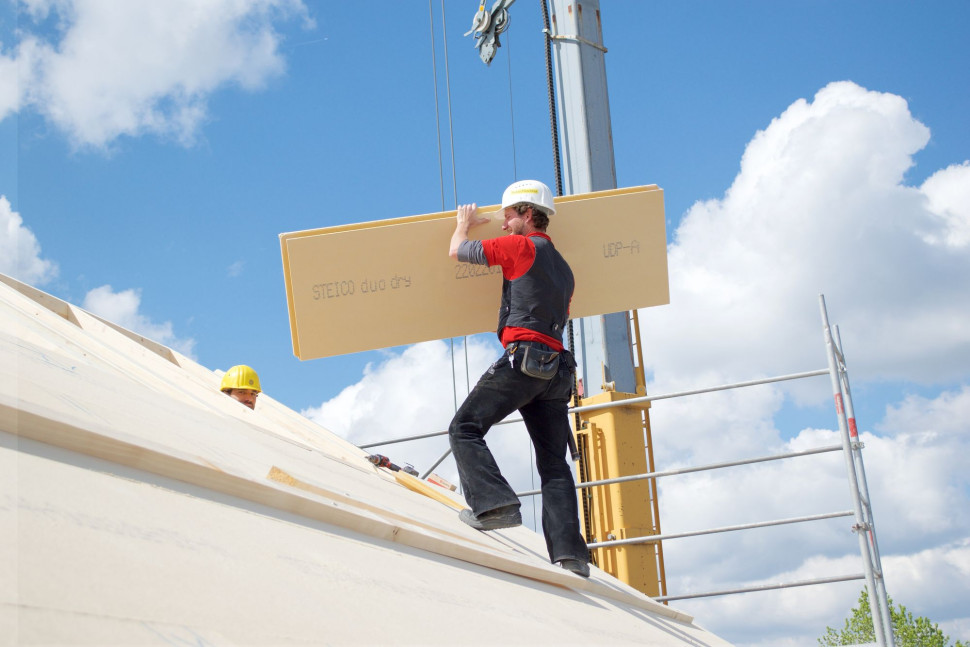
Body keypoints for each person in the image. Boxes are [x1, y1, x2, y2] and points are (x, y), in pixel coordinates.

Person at [447, 179, 590, 578]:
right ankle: (571, 555)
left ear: (528, 213)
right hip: (558, 370)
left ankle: (494, 506)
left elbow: (457, 251)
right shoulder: (565, 270)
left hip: (526, 360)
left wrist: (464, 222)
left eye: (508, 216)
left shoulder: (521, 246)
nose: (504, 224)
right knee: (554, 466)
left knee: (464, 428)